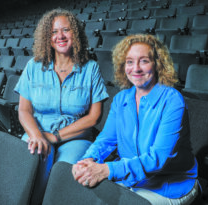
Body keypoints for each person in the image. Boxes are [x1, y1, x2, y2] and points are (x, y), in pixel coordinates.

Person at [72, 34, 198, 205]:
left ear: (157, 64)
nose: (136, 68)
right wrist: (89, 159)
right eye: (130, 62)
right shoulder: (121, 99)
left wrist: (107, 170)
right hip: (129, 179)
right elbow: (106, 139)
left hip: (169, 186)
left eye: (144, 61)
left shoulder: (173, 100)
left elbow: (158, 159)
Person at [14, 8, 109, 204]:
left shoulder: (90, 68)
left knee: (63, 177)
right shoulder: (33, 65)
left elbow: (94, 117)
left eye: (66, 30)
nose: (60, 36)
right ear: (47, 38)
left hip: (76, 138)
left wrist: (55, 136)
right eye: (54, 32)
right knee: (30, 170)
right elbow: (24, 110)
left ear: (75, 34)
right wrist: (37, 136)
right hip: (38, 132)